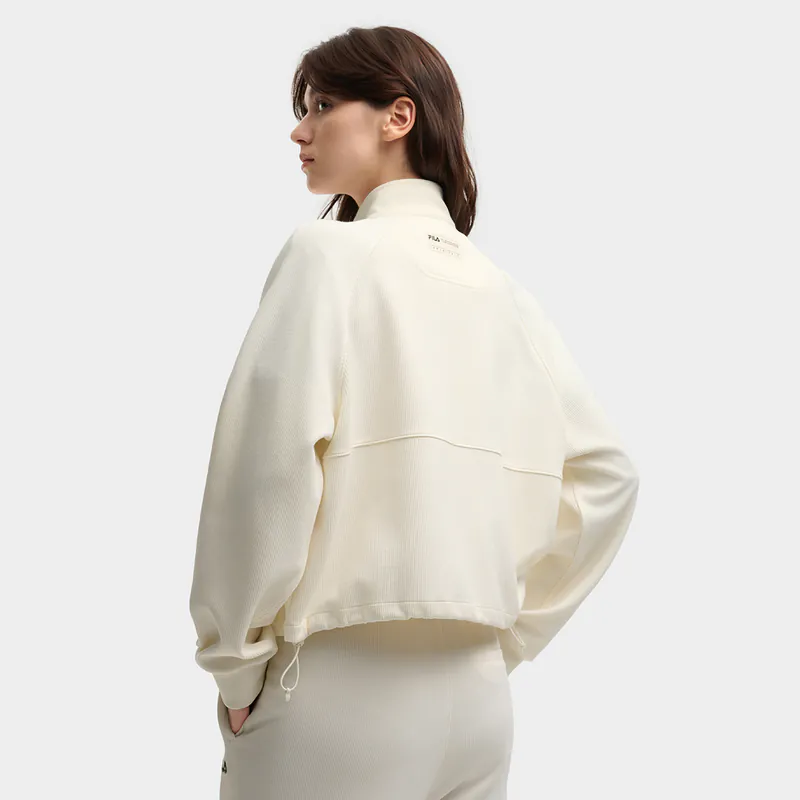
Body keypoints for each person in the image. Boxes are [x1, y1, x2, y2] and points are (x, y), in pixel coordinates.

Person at [189, 24, 639, 800]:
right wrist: (509, 636)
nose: (300, 131)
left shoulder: (326, 257)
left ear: (398, 116)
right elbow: (608, 477)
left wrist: (235, 666)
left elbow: (264, 477)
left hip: (333, 691)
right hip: (478, 702)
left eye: (322, 106)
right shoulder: (503, 293)